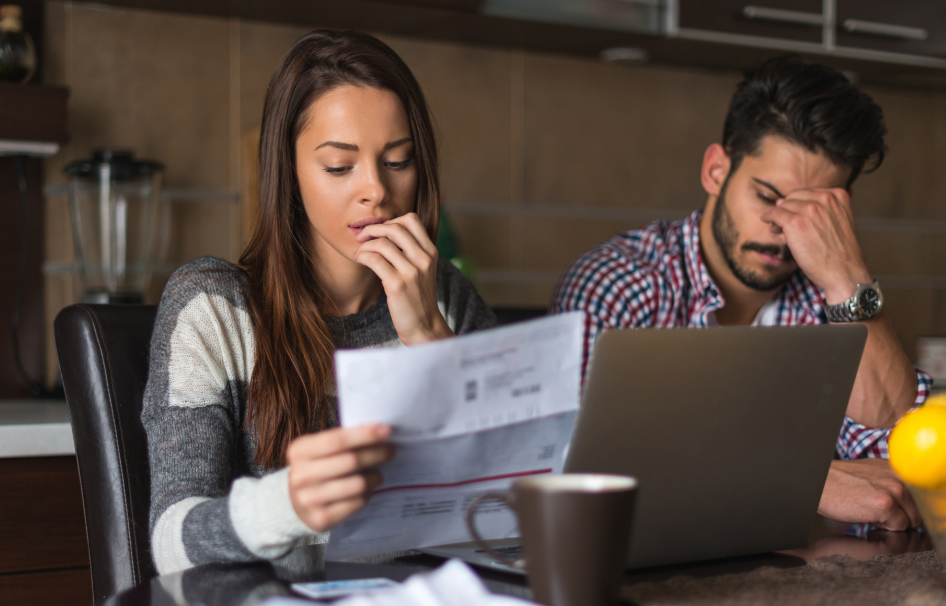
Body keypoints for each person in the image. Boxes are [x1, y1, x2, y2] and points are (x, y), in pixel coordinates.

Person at [143, 30, 496, 573]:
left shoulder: (446, 297)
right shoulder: (214, 308)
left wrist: (429, 337)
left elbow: (508, 511)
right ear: (289, 173)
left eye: (398, 161)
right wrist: (286, 505)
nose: (375, 190)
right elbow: (171, 544)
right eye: (339, 166)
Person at [551, 56, 929, 532]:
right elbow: (578, 479)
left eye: (812, 211)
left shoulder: (829, 301)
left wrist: (847, 277)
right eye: (769, 197)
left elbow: (909, 474)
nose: (782, 229)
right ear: (715, 170)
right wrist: (806, 481)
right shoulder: (620, 283)